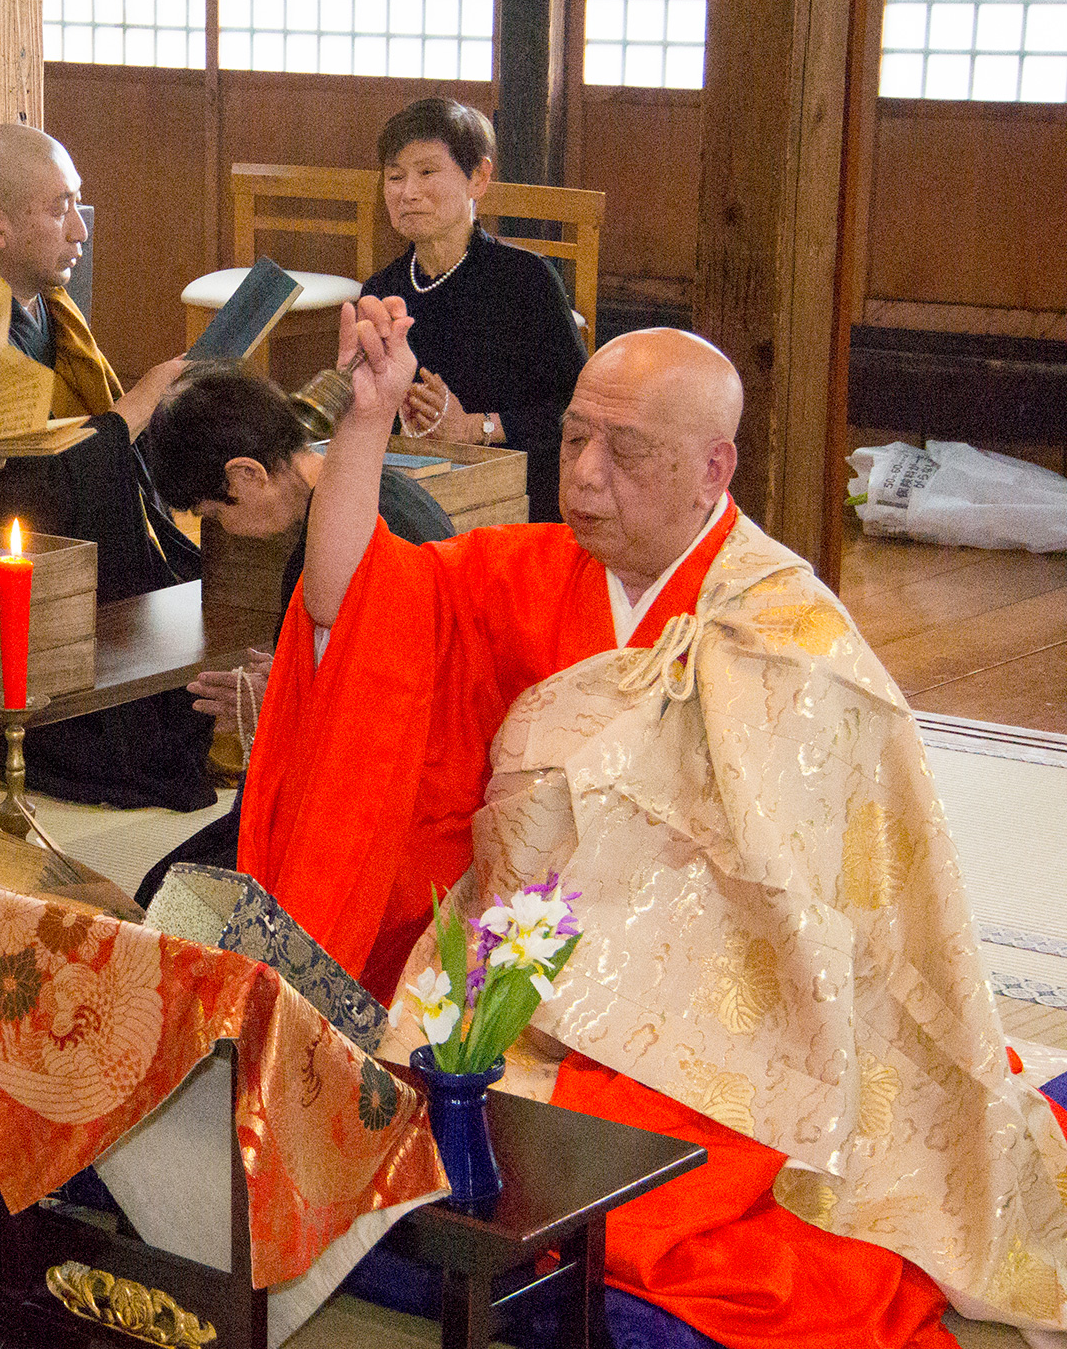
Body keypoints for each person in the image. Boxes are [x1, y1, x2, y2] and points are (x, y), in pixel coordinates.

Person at [245, 296, 1067, 1346]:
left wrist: (650, 938)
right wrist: (366, 423)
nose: (583, 474)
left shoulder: (787, 631)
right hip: (531, 978)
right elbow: (347, 603)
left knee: (650, 1197)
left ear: (715, 470)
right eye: (576, 438)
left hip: (724, 1014)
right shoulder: (540, 570)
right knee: (393, 1109)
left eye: (624, 453)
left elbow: (820, 893)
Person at [0, 123, 211, 812]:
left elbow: (84, 448)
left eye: (77, 204)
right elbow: (14, 502)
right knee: (154, 743)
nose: (80, 231)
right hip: (1, 596)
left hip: (77, 561)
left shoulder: (43, 307)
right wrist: (133, 411)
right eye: (58, 208)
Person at [131, 360, 454, 897]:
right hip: (343, 782)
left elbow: (401, 705)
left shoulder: (352, 538)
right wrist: (284, 688)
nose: (220, 528)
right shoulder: (368, 497)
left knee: (169, 899)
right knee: (166, 886)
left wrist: (282, 703)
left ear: (246, 474)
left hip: (392, 815)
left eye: (213, 512)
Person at [360, 97, 585, 522]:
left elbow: (575, 411)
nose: (408, 192)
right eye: (395, 176)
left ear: (478, 178)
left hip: (513, 497)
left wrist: (475, 428)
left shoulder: (527, 280)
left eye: (427, 172)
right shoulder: (381, 292)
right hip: (408, 495)